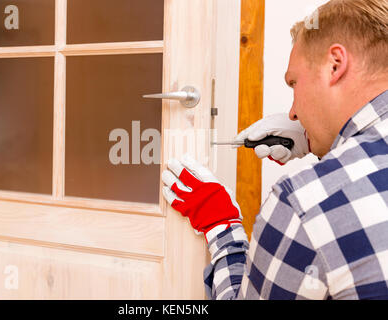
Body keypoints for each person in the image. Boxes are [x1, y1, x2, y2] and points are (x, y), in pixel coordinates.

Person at [162, 0, 388, 299]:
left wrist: (222, 225)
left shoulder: (302, 206)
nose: (293, 113)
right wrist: (324, 141)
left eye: (293, 83)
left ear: (335, 64)